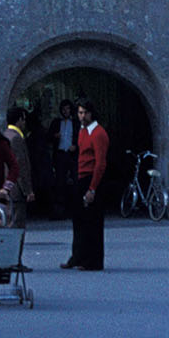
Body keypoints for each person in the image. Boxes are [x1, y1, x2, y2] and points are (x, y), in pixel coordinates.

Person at [61, 98, 109, 272]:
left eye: (85, 112)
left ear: (91, 113)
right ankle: (78, 256)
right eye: (80, 112)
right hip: (81, 177)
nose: (82, 116)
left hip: (91, 178)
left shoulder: (98, 133)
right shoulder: (82, 131)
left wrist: (93, 188)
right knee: (79, 220)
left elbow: (100, 163)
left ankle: (93, 261)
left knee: (93, 222)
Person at [3, 106, 35, 229]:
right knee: (16, 224)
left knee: (10, 220)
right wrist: (28, 190)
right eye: (24, 119)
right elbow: (21, 166)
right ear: (19, 120)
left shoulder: (5, 135)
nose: (25, 122)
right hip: (16, 189)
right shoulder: (16, 138)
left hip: (7, 186)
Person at [49, 99, 79, 217]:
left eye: (68, 109)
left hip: (72, 155)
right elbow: (49, 137)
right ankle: (60, 210)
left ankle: (75, 208)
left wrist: (76, 146)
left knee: (75, 181)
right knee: (60, 182)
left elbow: (81, 137)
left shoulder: (76, 123)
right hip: (60, 154)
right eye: (64, 109)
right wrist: (54, 136)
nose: (66, 111)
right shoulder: (56, 123)